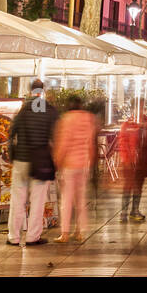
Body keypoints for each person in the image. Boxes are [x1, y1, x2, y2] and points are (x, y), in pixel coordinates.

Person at [8, 79, 58, 247]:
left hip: (21, 161)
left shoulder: (23, 110)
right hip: (41, 162)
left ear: (30, 91)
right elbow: (56, 136)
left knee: (18, 200)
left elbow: (11, 133)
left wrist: (12, 156)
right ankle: (32, 237)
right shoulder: (50, 111)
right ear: (42, 91)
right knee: (37, 201)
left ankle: (13, 237)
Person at [52, 95, 97, 242]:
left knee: (67, 199)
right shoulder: (88, 118)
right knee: (81, 199)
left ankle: (65, 233)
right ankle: (79, 231)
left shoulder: (66, 119)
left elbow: (63, 143)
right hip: (84, 163)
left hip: (69, 165)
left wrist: (57, 162)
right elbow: (91, 143)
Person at [119, 106, 147, 223]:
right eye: (137, 107)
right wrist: (126, 158)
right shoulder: (127, 125)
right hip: (130, 161)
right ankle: (124, 212)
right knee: (128, 186)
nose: (139, 110)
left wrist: (146, 130)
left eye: (141, 107)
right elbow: (122, 141)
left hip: (142, 161)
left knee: (138, 186)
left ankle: (134, 210)